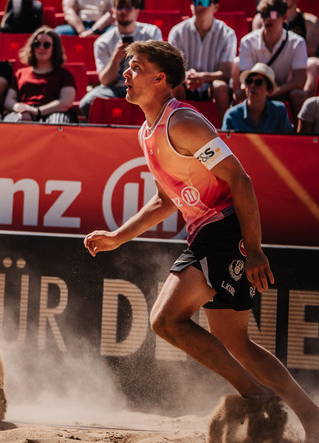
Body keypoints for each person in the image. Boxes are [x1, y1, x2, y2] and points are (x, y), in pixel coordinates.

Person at [84, 40, 319, 443]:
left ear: (160, 78)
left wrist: (255, 247)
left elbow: (240, 180)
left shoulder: (183, 122)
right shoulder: (147, 130)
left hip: (223, 230)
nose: (125, 73)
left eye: (134, 67)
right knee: (239, 344)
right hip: (208, 232)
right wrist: (119, 238)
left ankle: (257, 398)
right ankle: (311, 416)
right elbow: (164, 201)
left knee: (165, 320)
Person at [78, 0, 163, 117]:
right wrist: (115, 58)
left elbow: (158, 67)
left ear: (136, 12)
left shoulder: (151, 33)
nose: (123, 11)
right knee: (87, 102)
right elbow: (105, 81)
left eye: (128, 8)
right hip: (114, 89)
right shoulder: (103, 41)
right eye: (120, 7)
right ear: (113, 11)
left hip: (144, 86)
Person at [167, 0, 237, 118]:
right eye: (196, 1)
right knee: (173, 85)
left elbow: (226, 73)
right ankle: (171, 127)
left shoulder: (227, 34)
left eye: (204, 2)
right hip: (184, 83)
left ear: (216, 7)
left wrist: (203, 77)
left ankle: (224, 132)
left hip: (211, 87)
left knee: (220, 87)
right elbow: (172, 69)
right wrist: (186, 76)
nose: (199, 6)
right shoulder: (178, 31)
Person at [236, 0, 308, 116]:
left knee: (299, 95)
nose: (268, 19)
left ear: (284, 17)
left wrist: (275, 91)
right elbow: (245, 79)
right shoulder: (247, 42)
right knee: (240, 93)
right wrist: (258, 89)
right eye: (264, 15)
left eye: (273, 14)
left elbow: (300, 80)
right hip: (255, 88)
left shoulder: (298, 42)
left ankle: (299, 134)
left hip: (282, 90)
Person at [251, 0, 319, 97]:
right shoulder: (261, 19)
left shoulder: (309, 21)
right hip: (267, 67)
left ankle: (306, 107)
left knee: (314, 63)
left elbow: (310, 51)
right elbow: (258, 47)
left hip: (296, 69)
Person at [2, 27, 77, 123]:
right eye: (37, 44)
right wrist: (20, 108)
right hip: (24, 112)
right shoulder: (20, 73)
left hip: (54, 112)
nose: (41, 48)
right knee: (10, 123)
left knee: (57, 125)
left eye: (46, 45)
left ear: (54, 49)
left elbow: (65, 102)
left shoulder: (64, 75)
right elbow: (9, 100)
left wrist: (38, 111)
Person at [221, 63, 294, 134]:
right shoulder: (232, 116)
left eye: (258, 82)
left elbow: (286, 143)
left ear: (269, 90)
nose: (252, 86)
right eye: (249, 81)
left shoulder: (280, 111)